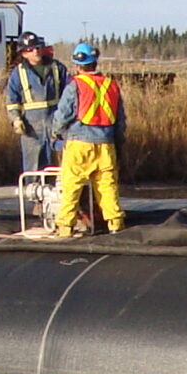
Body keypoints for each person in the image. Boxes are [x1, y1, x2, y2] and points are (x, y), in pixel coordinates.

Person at [50, 42, 124, 235]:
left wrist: (56, 132)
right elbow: (120, 120)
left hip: (79, 143)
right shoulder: (111, 85)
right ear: (95, 62)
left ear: (77, 64)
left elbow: (63, 114)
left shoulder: (75, 85)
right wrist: (117, 140)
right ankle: (115, 224)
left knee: (72, 185)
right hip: (106, 144)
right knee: (107, 186)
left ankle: (65, 227)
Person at [4, 34, 70, 176]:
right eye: (31, 49)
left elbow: (70, 95)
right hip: (31, 129)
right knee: (32, 168)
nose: (36, 51)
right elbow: (12, 101)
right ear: (24, 53)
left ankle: (57, 197)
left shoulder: (57, 68)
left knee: (57, 167)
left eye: (38, 47)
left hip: (56, 124)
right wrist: (16, 119)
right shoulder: (18, 73)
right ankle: (33, 197)